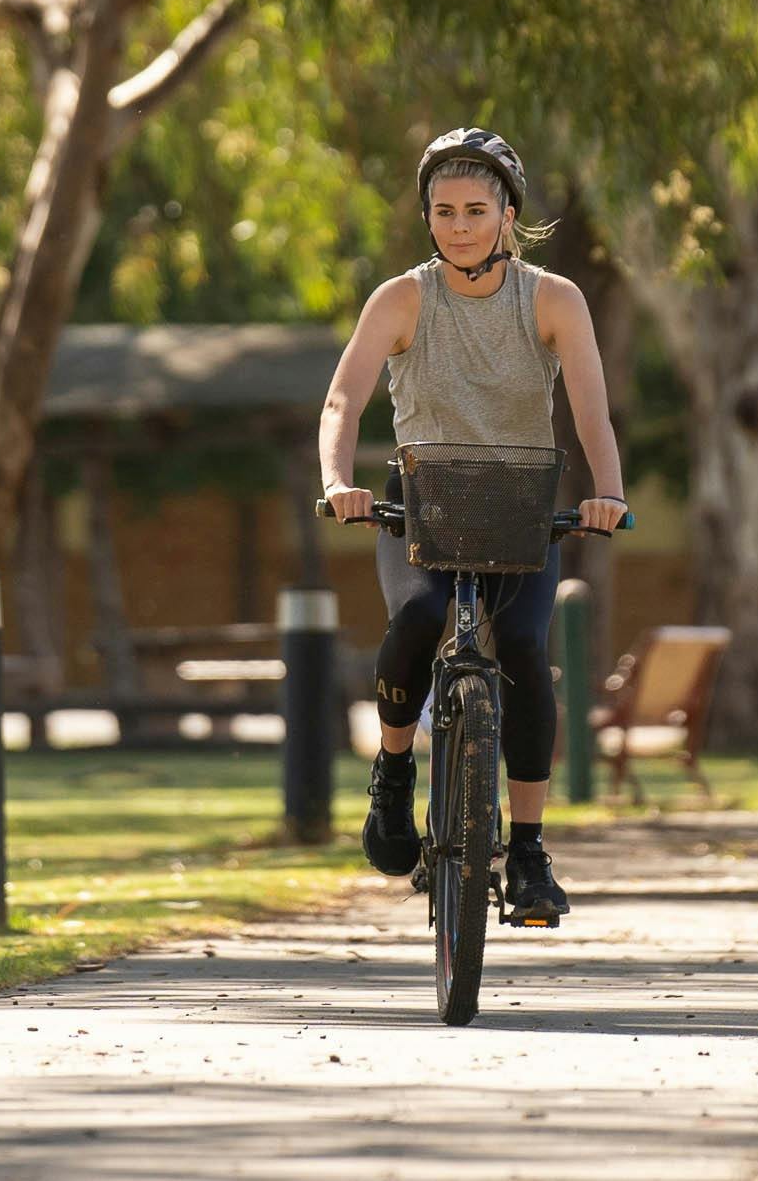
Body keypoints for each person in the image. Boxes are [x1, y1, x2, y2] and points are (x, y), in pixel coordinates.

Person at [317, 127, 628, 926]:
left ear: (507, 212)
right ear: (427, 216)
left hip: (523, 505)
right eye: (444, 210)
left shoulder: (554, 299)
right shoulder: (401, 298)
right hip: (423, 499)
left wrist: (608, 493)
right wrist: (337, 480)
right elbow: (343, 399)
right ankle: (393, 774)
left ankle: (527, 848)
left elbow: (590, 410)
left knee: (523, 647)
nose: (459, 225)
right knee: (420, 616)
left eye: (476, 210)